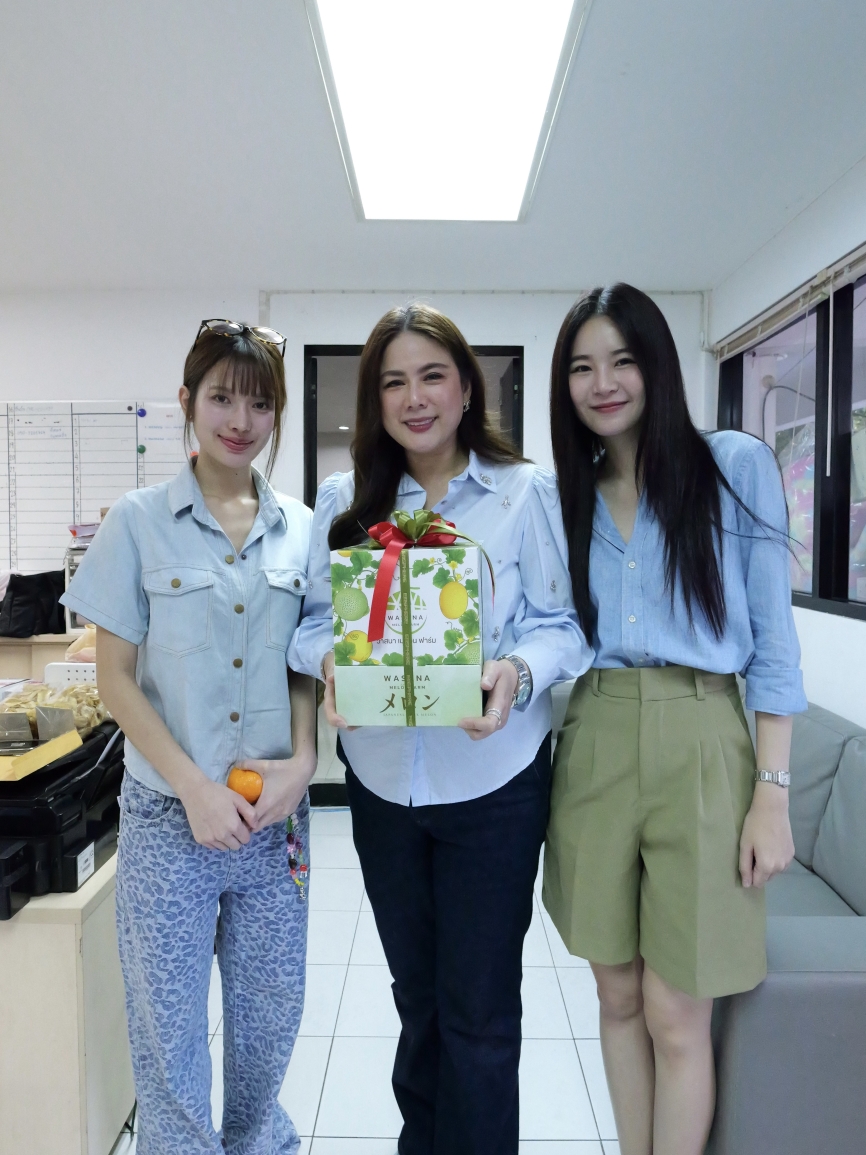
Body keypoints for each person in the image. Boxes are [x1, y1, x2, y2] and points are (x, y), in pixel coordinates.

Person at [289, 304, 591, 1155]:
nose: (414, 398)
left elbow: (564, 627)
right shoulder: (345, 499)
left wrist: (514, 671)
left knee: (480, 1013)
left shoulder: (523, 492)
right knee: (417, 1002)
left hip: (494, 789)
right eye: (393, 382)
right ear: (375, 400)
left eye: (431, 376)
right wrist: (333, 661)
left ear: (466, 389)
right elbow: (308, 625)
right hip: (383, 790)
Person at [543, 284, 806, 1155]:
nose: (603, 383)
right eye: (582, 367)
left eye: (623, 360)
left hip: (703, 737)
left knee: (676, 1009)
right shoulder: (565, 495)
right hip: (595, 733)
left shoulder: (733, 465)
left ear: (658, 364)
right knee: (617, 994)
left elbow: (774, 644)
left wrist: (772, 792)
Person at [61, 319, 317, 1155]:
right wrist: (195, 788)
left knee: (269, 1018)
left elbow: (305, 667)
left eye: (260, 403)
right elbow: (115, 679)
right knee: (168, 1031)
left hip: (273, 818)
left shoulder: (302, 530)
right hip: (171, 817)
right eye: (221, 398)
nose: (240, 420)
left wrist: (305, 761)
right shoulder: (138, 523)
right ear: (187, 401)